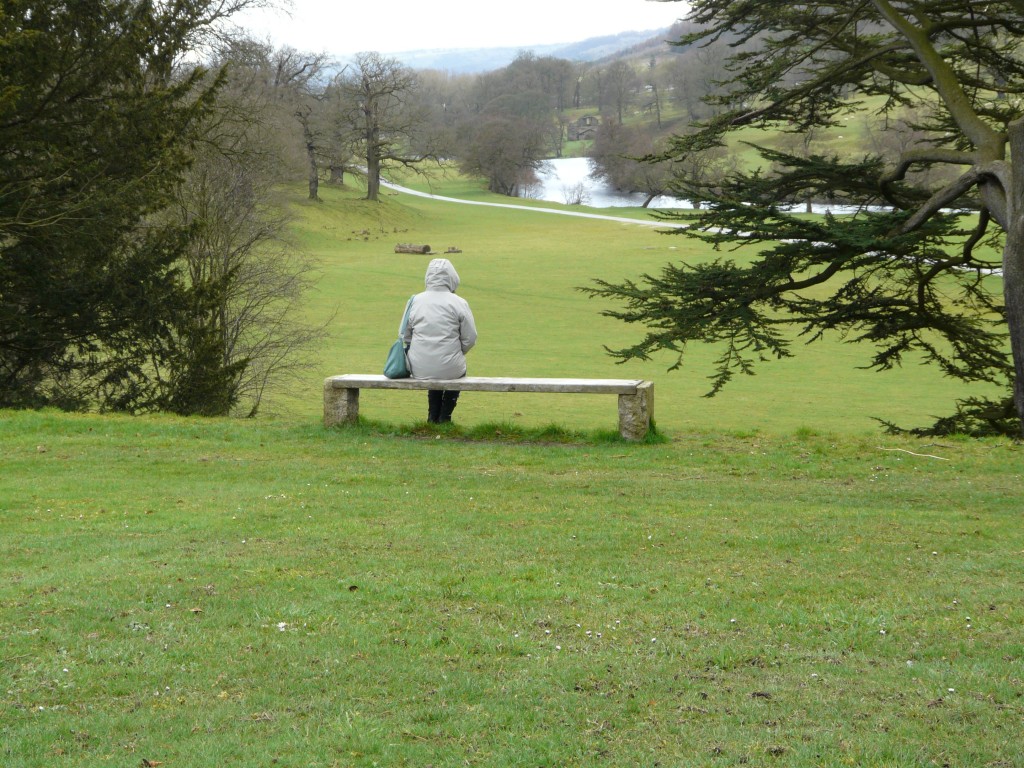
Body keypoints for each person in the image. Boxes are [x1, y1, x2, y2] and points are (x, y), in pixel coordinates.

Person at [402, 258, 477, 423]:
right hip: (451, 366)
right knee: (452, 371)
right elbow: (470, 338)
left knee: (432, 371)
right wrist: (456, 351)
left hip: (419, 367)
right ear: (452, 277)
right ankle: (445, 416)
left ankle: (432, 417)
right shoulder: (459, 302)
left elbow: (406, 336)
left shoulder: (414, 301)